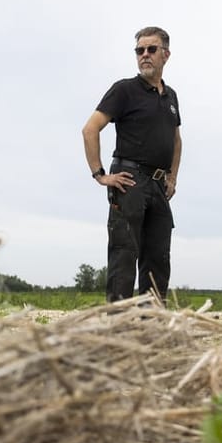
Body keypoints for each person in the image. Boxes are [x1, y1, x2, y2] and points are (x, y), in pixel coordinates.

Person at [82, 26, 182, 303]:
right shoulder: (124, 90)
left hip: (159, 186)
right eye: (140, 50)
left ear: (166, 54)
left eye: (152, 49)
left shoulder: (170, 96)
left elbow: (176, 139)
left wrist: (172, 177)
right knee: (124, 255)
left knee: (158, 258)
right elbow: (90, 129)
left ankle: (152, 328)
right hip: (129, 180)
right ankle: (118, 329)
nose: (145, 55)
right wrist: (100, 174)